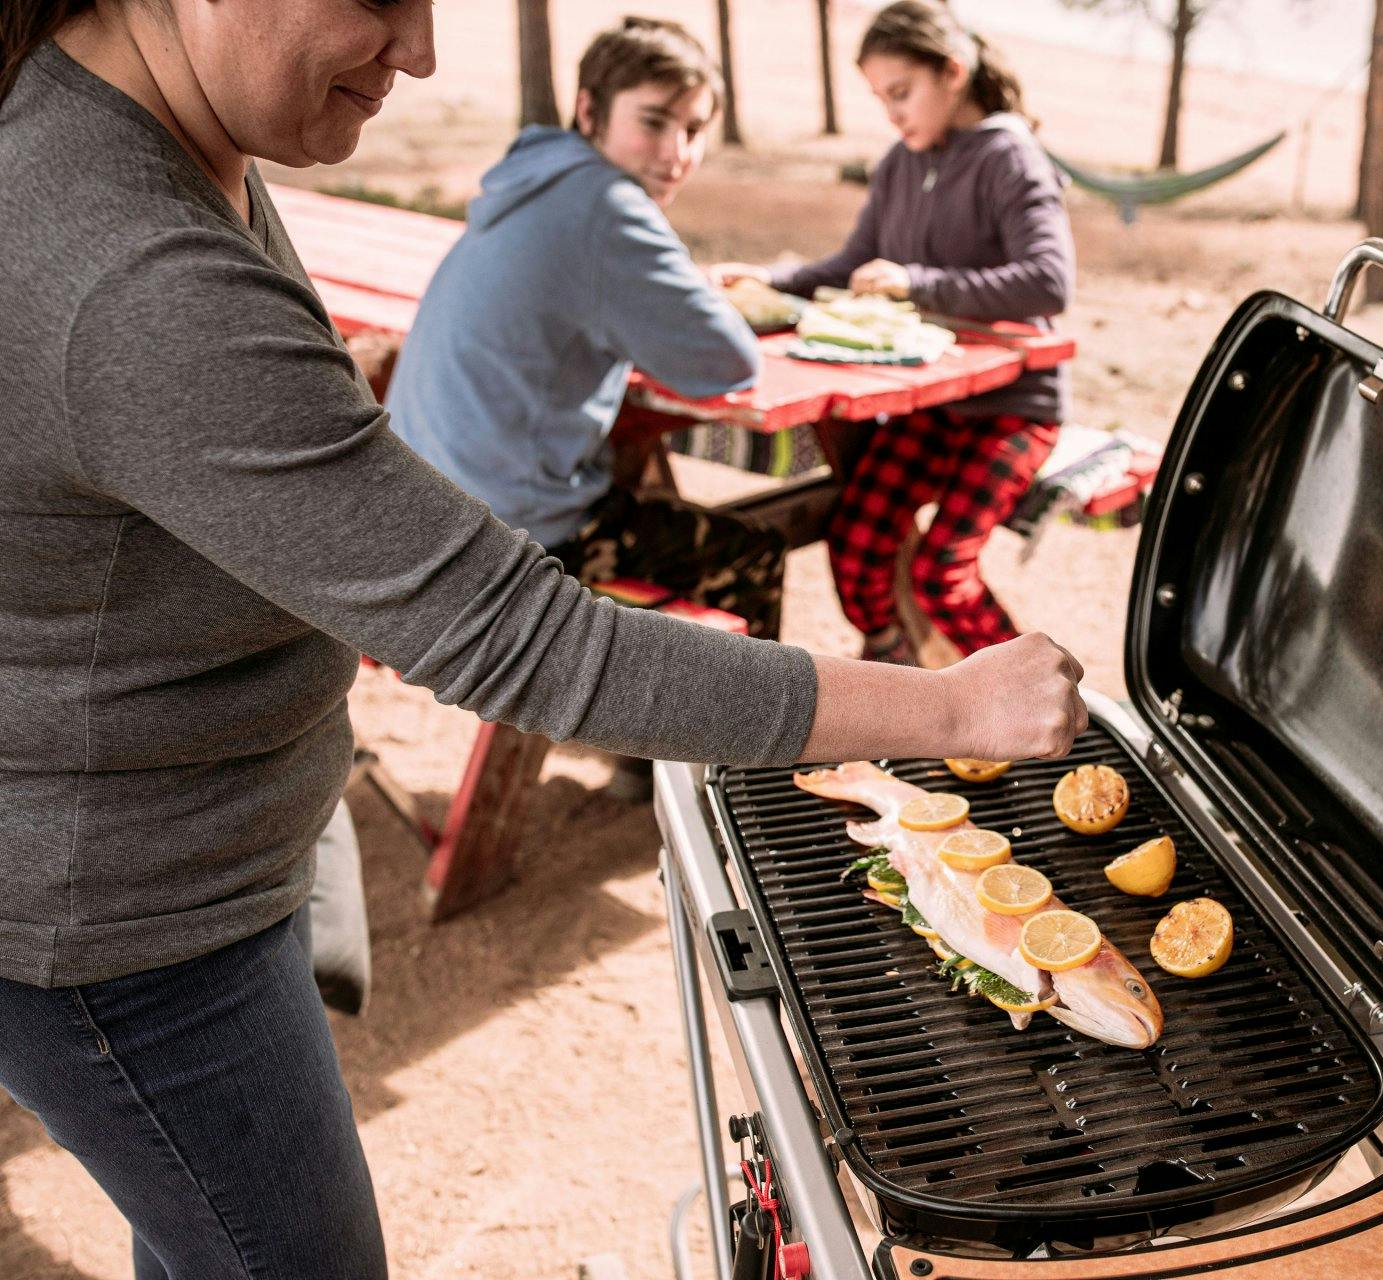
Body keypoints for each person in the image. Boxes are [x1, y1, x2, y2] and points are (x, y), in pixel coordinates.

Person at [0, 3, 1087, 1277]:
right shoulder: (135, 262)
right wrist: (949, 710)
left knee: (192, 1231)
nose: (419, 52)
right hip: (126, 918)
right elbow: (532, 645)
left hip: (179, 833)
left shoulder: (151, 135)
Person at [386, 18, 787, 650]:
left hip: (418, 513)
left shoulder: (537, 177)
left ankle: (645, 745)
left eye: (693, 130)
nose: (676, 152)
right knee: (751, 554)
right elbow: (726, 362)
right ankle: (730, 749)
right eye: (654, 122)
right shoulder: (608, 206)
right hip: (506, 543)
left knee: (637, 504)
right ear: (589, 109)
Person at [714, 0, 1075, 665]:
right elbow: (851, 267)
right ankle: (896, 666)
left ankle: (1043, 696)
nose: (892, 113)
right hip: (933, 406)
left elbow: (1050, 283)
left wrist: (918, 282)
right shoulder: (900, 163)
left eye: (902, 93)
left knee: (942, 573)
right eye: (881, 98)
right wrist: (765, 279)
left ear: (953, 73)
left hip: (1014, 409)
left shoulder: (1010, 157)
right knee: (855, 538)